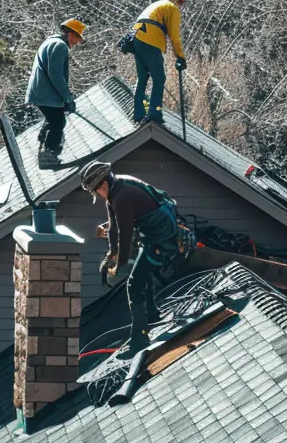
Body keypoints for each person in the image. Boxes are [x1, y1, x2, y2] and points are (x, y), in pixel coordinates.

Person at [80, 160, 188, 359]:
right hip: (150, 238)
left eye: (95, 191)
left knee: (133, 285)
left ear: (102, 184)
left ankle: (140, 339)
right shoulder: (117, 188)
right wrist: (110, 256)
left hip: (162, 240)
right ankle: (153, 314)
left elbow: (125, 235)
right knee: (141, 272)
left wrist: (119, 265)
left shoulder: (122, 197)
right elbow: (113, 227)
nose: (97, 195)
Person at [26, 18, 86, 167]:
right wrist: (67, 98)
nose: (78, 42)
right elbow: (55, 74)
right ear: (70, 33)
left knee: (53, 119)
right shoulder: (60, 46)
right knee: (58, 122)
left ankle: (43, 145)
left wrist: (65, 97)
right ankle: (48, 155)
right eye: (78, 37)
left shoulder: (51, 41)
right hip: (45, 94)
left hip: (40, 92)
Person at [129, 0, 187, 123]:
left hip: (135, 39)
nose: (179, 6)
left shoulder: (154, 6)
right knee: (159, 78)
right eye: (180, 3)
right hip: (151, 40)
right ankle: (155, 113)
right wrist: (180, 56)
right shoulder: (172, 8)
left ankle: (138, 114)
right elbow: (175, 36)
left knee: (142, 79)